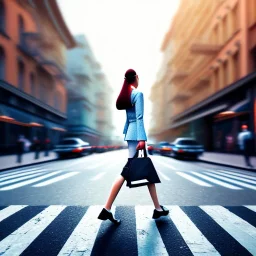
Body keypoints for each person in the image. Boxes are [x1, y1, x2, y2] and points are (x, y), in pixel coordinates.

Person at [97, 69, 169, 225]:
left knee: (145, 170)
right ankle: (107, 208)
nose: (138, 79)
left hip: (131, 134)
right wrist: (142, 138)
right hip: (137, 136)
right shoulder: (137, 94)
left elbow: (128, 119)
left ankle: (157, 208)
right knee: (129, 169)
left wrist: (131, 135)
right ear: (136, 78)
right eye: (138, 77)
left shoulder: (126, 95)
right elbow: (139, 117)